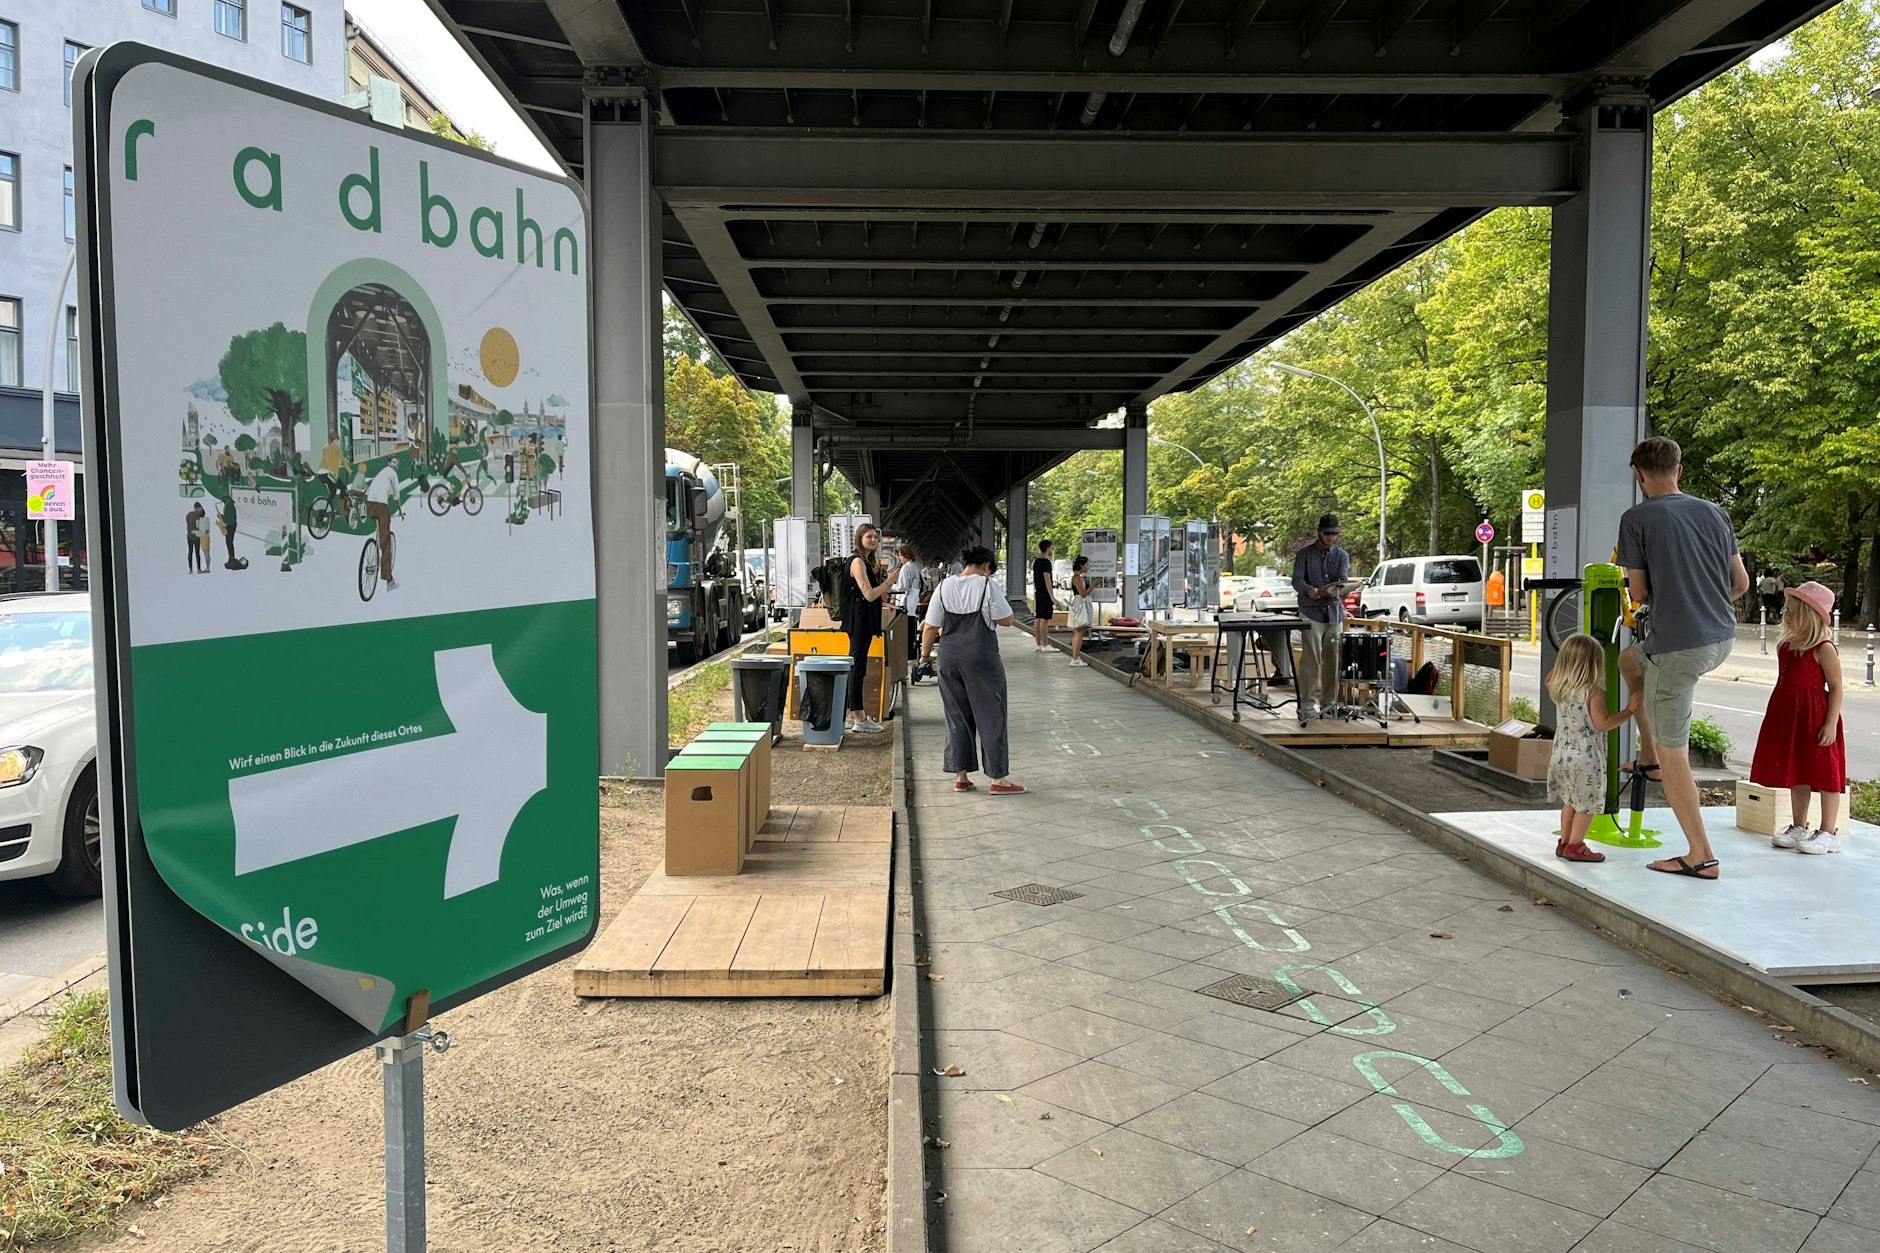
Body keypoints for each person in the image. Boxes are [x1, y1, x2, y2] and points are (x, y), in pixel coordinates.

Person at [1616, 436, 1750, 880]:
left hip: (1679, 648)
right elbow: (1740, 583)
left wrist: (1672, 604)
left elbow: (1639, 594)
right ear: (1680, 470)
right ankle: (1649, 758)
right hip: (1720, 637)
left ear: (1639, 476)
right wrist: (1703, 602)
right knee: (1631, 663)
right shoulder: (1715, 513)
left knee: (1679, 755)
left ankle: (1700, 855)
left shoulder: (1635, 519)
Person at [1751, 581, 1847, 854]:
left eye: (1793, 611)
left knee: (1826, 773)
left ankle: (1828, 831)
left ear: (1810, 615)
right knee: (1798, 770)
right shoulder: (1786, 645)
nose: (1786, 615)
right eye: (1786, 610)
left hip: (1816, 718)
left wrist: (1830, 722)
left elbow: (1837, 687)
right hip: (1789, 716)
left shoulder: (1824, 648)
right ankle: (1799, 825)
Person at [921, 546, 1024, 794]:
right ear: (987, 566)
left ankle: (961, 776)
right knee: (991, 715)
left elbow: (930, 626)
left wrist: (925, 658)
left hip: (949, 657)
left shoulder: (944, 586)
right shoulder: (987, 585)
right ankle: (998, 779)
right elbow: (1007, 619)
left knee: (956, 716)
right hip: (981, 657)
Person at [1546, 633, 1642, 864]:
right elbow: (1603, 723)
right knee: (1587, 803)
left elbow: (1551, 675)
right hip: (1586, 756)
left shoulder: (1556, 685)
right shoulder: (1592, 691)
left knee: (1570, 800)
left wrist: (1565, 661)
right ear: (1594, 663)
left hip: (1562, 753)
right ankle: (1576, 846)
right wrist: (1629, 710)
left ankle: (1565, 842)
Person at [1290, 514, 1351, 724]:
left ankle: (1330, 703)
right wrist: (1309, 591)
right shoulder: (1305, 554)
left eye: (1335, 534)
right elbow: (1297, 580)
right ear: (1319, 533)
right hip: (1311, 612)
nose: (1331, 538)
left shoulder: (1342, 555)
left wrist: (1341, 589)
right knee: (1311, 659)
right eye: (1328, 534)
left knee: (1334, 660)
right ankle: (1306, 704)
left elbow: (1342, 579)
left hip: (1334, 613)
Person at [842, 523, 890, 735]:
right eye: (869, 536)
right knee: (857, 666)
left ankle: (849, 714)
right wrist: (889, 582)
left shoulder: (865, 562)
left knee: (856, 664)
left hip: (863, 618)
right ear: (859, 538)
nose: (873, 540)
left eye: (875, 537)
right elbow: (869, 594)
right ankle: (859, 717)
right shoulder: (856, 562)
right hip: (859, 618)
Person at [365, 458, 402, 592]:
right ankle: (389, 581)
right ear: (389, 463)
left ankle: (375, 546)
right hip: (381, 507)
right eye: (394, 462)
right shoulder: (393, 474)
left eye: (397, 464)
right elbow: (396, 496)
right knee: (386, 544)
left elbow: (377, 490)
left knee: (381, 532)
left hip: (370, 505)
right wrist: (401, 511)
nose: (395, 465)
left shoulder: (381, 473)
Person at [892, 543, 923, 663]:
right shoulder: (914, 566)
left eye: (900, 556)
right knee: (912, 627)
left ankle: (907, 653)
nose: (899, 558)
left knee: (905, 629)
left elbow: (902, 586)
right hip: (915, 599)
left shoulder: (905, 568)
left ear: (904, 555)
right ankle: (912, 652)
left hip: (907, 600)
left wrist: (892, 586)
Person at [1067, 555, 1094, 668]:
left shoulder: (1078, 577)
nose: (1088, 567)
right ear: (1081, 566)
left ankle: (1076, 656)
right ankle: (1075, 658)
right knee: (1080, 631)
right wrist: (1094, 585)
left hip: (1079, 603)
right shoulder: (1077, 577)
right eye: (1087, 565)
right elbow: (1083, 593)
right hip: (1081, 603)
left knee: (1078, 631)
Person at [1033, 540, 1057, 651]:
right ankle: (1046, 645)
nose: (1052, 550)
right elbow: (1048, 580)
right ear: (1047, 548)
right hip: (1045, 594)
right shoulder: (1046, 563)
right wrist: (1052, 597)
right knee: (1044, 620)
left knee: (1038, 618)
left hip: (1038, 593)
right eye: (1051, 548)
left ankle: (1038, 644)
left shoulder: (1036, 562)